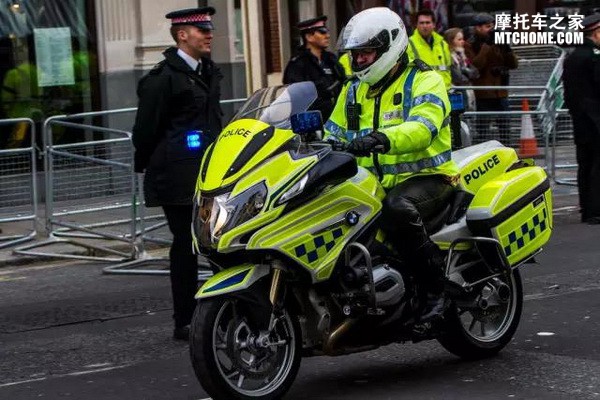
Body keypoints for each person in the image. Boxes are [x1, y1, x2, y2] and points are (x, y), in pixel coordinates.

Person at [324, 7, 459, 324]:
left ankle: (436, 291)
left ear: (390, 47)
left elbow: (423, 128)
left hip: (428, 179)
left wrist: (379, 138)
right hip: (371, 182)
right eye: (356, 55)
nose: (359, 61)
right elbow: (331, 132)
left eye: (366, 53)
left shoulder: (426, 81)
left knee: (395, 208)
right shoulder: (353, 90)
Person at [132, 7, 223, 340]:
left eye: (209, 29)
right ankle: (184, 319)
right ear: (182, 35)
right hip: (176, 176)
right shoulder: (162, 79)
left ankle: (229, 306)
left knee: (217, 241)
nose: (209, 35)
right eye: (202, 30)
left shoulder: (208, 71)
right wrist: (149, 167)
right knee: (187, 244)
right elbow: (145, 130)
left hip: (209, 173)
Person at [562, 13, 600, 225]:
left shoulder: (572, 57)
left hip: (580, 119)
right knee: (596, 164)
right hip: (596, 118)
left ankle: (586, 207)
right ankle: (596, 209)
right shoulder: (594, 56)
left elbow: (568, 92)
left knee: (584, 163)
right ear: (596, 33)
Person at [464, 13, 518, 144]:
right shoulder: (469, 44)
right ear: (478, 28)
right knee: (483, 131)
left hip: (501, 92)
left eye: (492, 26)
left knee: (505, 130)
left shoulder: (498, 42)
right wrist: (487, 45)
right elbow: (477, 64)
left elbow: (514, 64)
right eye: (488, 26)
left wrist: (507, 48)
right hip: (483, 94)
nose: (492, 29)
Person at [283, 15, 345, 122]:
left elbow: (344, 83)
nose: (328, 36)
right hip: (312, 123)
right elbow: (296, 97)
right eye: (322, 32)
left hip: (337, 120)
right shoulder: (298, 64)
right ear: (309, 37)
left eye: (327, 31)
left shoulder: (331, 60)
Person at [405, 8, 452, 90]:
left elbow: (448, 68)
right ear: (416, 25)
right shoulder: (409, 44)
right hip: (422, 91)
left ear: (434, 25)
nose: (425, 26)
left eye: (428, 22)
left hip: (444, 90)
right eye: (421, 23)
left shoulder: (443, 44)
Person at [444, 27, 479, 111]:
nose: (463, 41)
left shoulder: (463, 54)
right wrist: (466, 72)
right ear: (451, 41)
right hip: (456, 93)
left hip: (469, 91)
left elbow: (476, 73)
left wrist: (466, 72)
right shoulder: (448, 56)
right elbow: (458, 77)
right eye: (459, 39)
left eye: (462, 39)